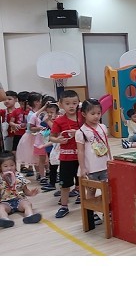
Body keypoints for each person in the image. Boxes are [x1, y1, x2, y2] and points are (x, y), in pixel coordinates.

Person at [76, 98, 111, 226]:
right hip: (91, 168)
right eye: (92, 113)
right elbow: (80, 151)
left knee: (108, 190)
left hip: (104, 165)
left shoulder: (103, 127)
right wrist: (83, 168)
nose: (96, 116)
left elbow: (106, 145)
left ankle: (108, 211)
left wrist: (111, 160)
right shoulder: (81, 132)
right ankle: (92, 214)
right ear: (84, 114)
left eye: (98, 113)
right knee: (91, 191)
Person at [50, 89, 83, 218]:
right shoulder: (59, 121)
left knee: (82, 180)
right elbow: (52, 137)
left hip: (82, 156)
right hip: (66, 158)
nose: (71, 106)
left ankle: (83, 199)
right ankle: (64, 206)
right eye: (67, 103)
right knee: (65, 184)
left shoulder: (83, 117)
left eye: (74, 103)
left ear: (78, 103)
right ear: (61, 104)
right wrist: (58, 140)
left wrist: (78, 133)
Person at [0, 152, 41, 228]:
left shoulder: (19, 176)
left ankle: (30, 216)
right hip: (5, 202)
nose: (9, 168)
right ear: (0, 167)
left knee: (27, 204)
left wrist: (30, 193)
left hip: (19, 200)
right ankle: (4, 219)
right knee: (1, 208)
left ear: (15, 165)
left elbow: (25, 190)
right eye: (5, 166)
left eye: (12, 165)